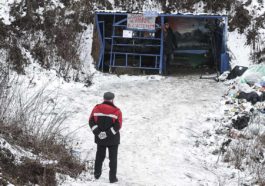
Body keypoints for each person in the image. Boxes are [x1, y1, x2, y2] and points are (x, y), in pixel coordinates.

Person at [89, 92, 122, 183]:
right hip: (113, 140)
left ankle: (97, 174)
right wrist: (107, 134)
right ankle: (112, 178)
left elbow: (91, 121)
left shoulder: (96, 108)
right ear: (112, 100)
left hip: (100, 139)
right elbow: (118, 126)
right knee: (113, 159)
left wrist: (98, 132)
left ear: (103, 99)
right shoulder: (117, 111)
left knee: (99, 156)